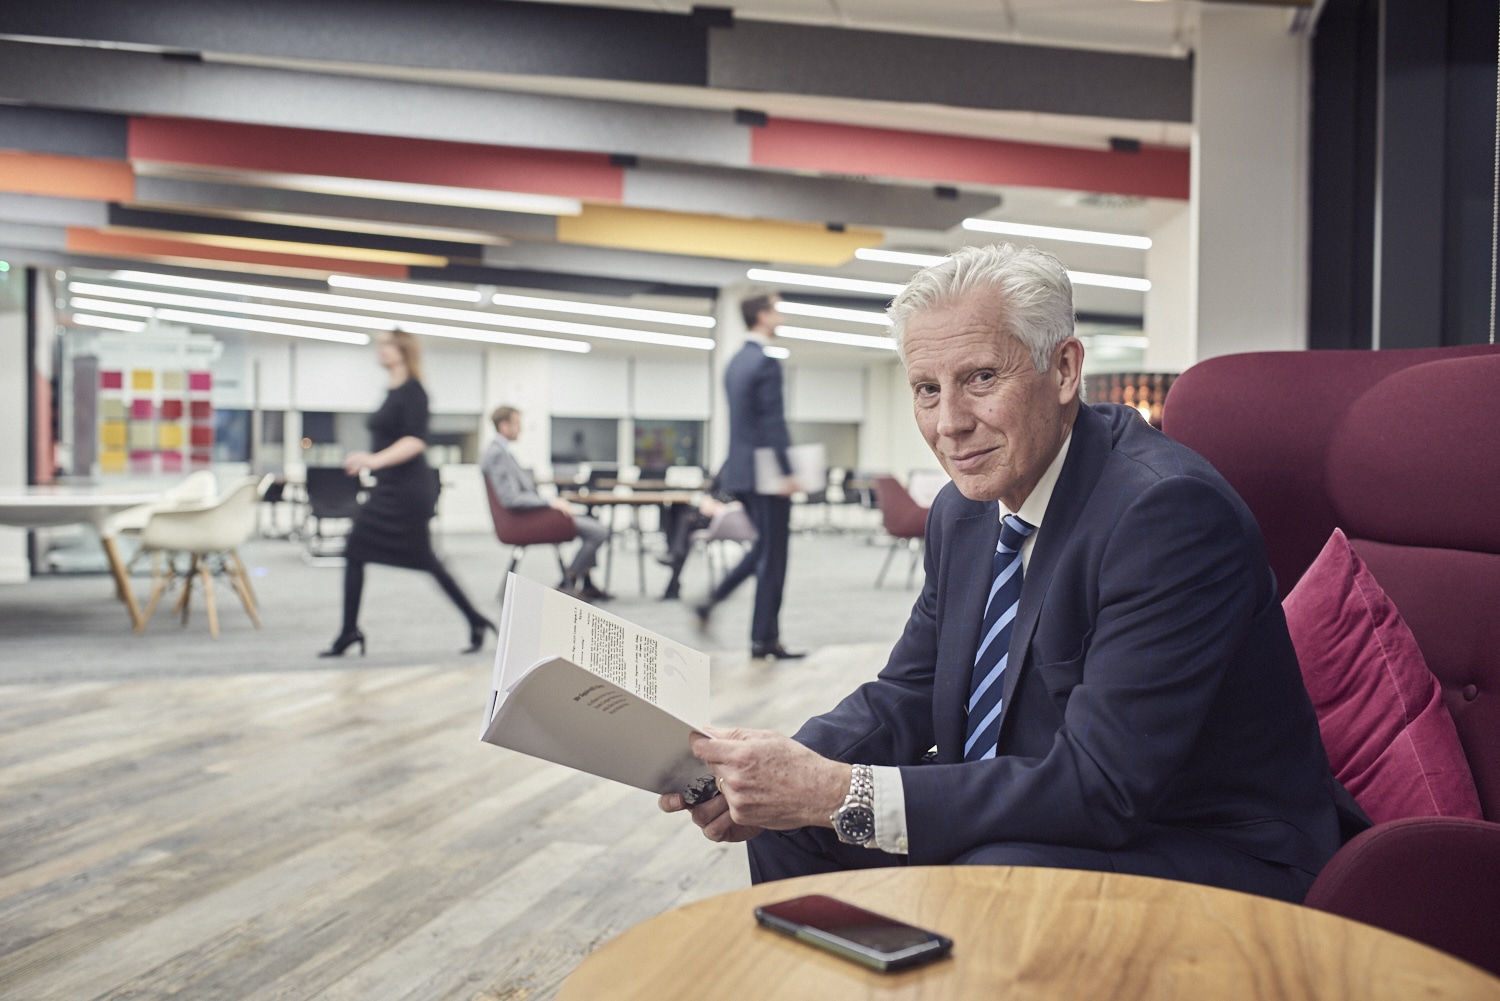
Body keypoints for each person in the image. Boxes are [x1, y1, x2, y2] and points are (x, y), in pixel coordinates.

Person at [661, 245, 1366, 903]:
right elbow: (909, 690)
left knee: (986, 868)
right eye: (926, 389)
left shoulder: (1167, 514)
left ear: (1063, 370)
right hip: (1033, 812)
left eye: (980, 379)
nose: (949, 423)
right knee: (797, 828)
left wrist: (840, 792)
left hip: (1209, 844)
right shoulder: (963, 512)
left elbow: (1103, 785)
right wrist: (768, 770)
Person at [321, 330, 494, 657]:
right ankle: (349, 631)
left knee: (418, 558)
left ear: (403, 351)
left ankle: (475, 619)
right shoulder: (392, 391)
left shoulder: (414, 392)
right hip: (390, 486)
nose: (381, 350)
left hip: (408, 489)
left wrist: (371, 460)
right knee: (358, 550)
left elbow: (415, 441)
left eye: (387, 344)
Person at [694, 294, 804, 660]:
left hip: (741, 471)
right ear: (762, 315)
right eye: (776, 309)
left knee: (763, 550)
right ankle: (764, 640)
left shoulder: (735, 363)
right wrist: (787, 473)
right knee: (775, 557)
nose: (781, 315)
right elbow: (772, 424)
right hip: (766, 475)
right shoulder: (765, 364)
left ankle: (711, 601)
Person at [481, 406, 612, 601]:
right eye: (517, 423)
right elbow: (511, 499)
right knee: (599, 531)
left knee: (592, 521)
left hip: (528, 518)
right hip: (523, 522)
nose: (521, 428)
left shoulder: (502, 452)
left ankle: (583, 582)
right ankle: (570, 578)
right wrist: (550, 503)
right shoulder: (497, 454)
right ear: (504, 426)